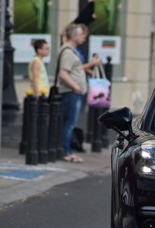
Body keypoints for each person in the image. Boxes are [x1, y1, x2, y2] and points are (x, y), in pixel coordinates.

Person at [58, 23, 92, 163]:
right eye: (80, 34)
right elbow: (63, 73)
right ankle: (66, 151)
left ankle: (67, 150)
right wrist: (76, 87)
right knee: (69, 123)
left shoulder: (72, 51)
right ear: (73, 36)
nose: (84, 37)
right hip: (70, 93)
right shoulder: (67, 52)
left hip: (73, 93)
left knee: (70, 122)